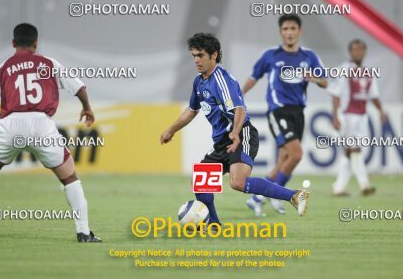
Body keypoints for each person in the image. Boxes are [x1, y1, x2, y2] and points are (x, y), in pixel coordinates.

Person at [0, 23, 101, 242]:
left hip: (11, 124)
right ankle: (83, 232)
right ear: (35, 44)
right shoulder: (49, 64)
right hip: (42, 124)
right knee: (70, 177)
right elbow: (79, 87)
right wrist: (87, 108)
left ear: (13, 43)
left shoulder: (3, 67)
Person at [160, 33, 309, 225]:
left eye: (200, 55)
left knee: (238, 182)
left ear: (213, 55)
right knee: (201, 181)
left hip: (242, 134)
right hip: (223, 141)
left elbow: (239, 108)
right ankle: (213, 225)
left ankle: (295, 196)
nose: (196, 60)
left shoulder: (222, 79)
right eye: (194, 56)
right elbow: (192, 110)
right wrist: (171, 130)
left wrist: (235, 132)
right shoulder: (199, 81)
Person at [242, 14, 327, 216]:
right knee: (296, 154)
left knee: (284, 160)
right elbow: (254, 76)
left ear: (300, 31)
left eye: (293, 29)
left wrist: (315, 79)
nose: (289, 32)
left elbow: (325, 82)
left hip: (298, 112)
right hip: (278, 110)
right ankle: (277, 195)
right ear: (281, 32)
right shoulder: (270, 55)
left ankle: (256, 199)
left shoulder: (309, 56)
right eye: (286, 29)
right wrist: (239, 96)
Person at [328, 39, 386, 196]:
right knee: (355, 149)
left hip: (362, 116)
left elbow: (373, 95)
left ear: (365, 52)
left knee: (349, 152)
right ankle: (364, 184)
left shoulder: (368, 72)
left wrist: (381, 111)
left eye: (361, 49)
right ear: (350, 52)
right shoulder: (344, 69)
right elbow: (335, 94)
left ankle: (339, 187)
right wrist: (335, 115)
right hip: (346, 115)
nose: (358, 52)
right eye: (355, 50)